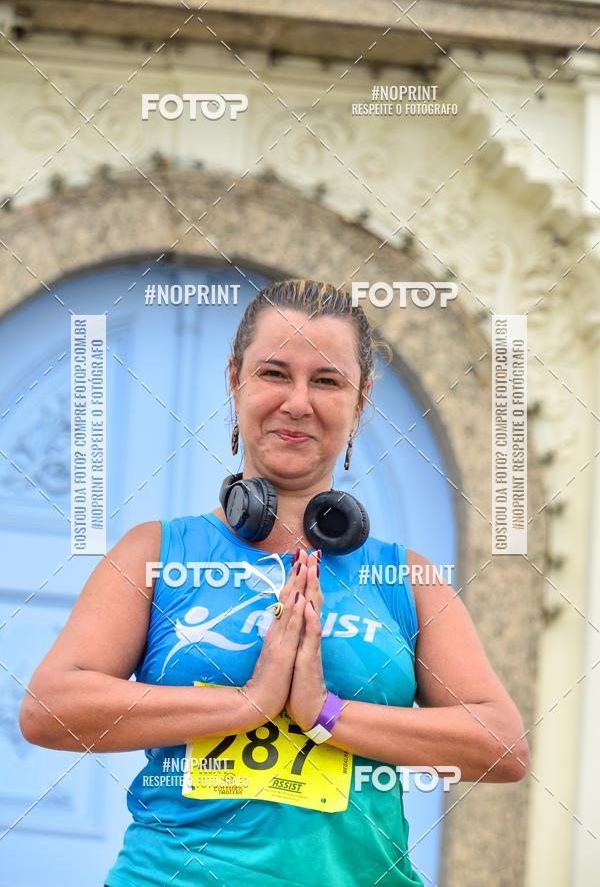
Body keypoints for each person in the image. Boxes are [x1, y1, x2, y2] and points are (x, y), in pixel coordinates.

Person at [19, 279, 530, 887]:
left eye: (327, 381)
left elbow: (502, 745)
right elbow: (49, 709)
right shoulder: (156, 554)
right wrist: (248, 704)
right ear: (235, 380)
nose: (297, 402)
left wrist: (324, 712)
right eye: (274, 374)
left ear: (361, 402)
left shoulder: (406, 579)